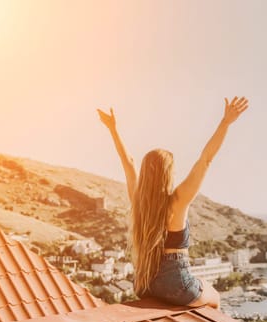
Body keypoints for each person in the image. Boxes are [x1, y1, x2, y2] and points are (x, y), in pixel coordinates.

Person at [98, 96, 249, 309]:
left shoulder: (140, 203)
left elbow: (128, 162)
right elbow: (205, 159)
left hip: (145, 284)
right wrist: (225, 123)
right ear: (168, 174)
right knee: (215, 298)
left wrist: (113, 128)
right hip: (177, 284)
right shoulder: (177, 202)